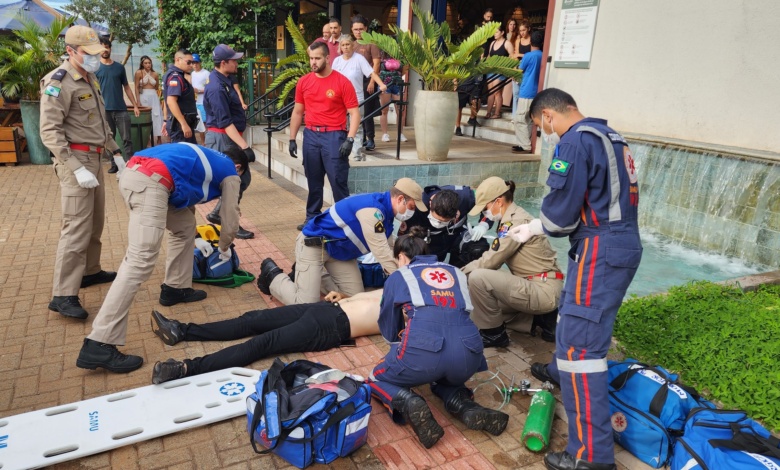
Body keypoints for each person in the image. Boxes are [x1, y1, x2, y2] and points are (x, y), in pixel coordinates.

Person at [508, 89, 642, 470]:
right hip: (622, 243)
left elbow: (561, 217)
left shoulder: (575, 141)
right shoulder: (611, 136)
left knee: (581, 353)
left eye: (540, 127)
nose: (545, 134)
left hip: (600, 249)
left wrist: (533, 226)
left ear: (548, 115)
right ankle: (556, 369)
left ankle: (590, 457)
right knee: (575, 319)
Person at [75, 144, 247, 373]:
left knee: (185, 226)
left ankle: (176, 288)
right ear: (239, 167)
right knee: (140, 261)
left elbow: (185, 199)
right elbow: (230, 214)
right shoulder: (230, 171)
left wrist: (198, 238)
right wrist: (224, 247)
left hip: (137, 173)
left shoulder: (206, 156)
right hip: (151, 183)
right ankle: (99, 342)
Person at [368, 227, 509, 449]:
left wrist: (396, 349)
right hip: (469, 353)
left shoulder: (400, 275)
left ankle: (409, 402)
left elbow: (388, 322)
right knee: (443, 375)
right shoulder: (455, 271)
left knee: (376, 376)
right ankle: (464, 406)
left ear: (402, 257)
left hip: (424, 353)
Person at [40, 26, 123, 320]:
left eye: (95, 53)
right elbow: (49, 132)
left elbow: (99, 123)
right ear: (70, 51)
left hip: (95, 159)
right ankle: (63, 295)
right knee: (75, 228)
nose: (94, 58)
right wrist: (74, 168)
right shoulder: (58, 82)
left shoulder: (90, 78)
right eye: (87, 54)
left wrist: (116, 151)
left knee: (95, 222)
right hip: (75, 160)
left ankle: (89, 271)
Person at [149, 289, 383, 384]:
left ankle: (185, 369)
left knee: (262, 343)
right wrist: (343, 295)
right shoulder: (404, 281)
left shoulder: (413, 310)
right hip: (326, 308)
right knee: (253, 319)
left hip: (333, 326)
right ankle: (181, 331)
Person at [257, 178, 426, 306]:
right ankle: (272, 276)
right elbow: (381, 251)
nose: (411, 212)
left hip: (340, 255)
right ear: (400, 199)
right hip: (315, 247)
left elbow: (391, 246)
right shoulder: (372, 211)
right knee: (305, 303)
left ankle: (307, 275)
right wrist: (406, 281)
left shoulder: (385, 214)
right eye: (411, 207)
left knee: (353, 298)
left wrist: (411, 268)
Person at [461, 177, 562, 348]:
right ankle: (538, 319)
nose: (484, 213)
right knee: (479, 309)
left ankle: (494, 335)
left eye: (485, 208)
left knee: (478, 277)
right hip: (535, 284)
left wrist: (456, 274)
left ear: (498, 201)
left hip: (543, 290)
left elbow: (489, 262)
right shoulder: (510, 217)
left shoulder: (514, 222)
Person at [288, 41, 360, 230]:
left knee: (338, 181)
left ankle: (344, 221)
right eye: (311, 58)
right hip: (311, 135)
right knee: (314, 180)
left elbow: (354, 113)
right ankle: (312, 218)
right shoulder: (304, 82)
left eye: (317, 58)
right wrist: (292, 138)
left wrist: (350, 139)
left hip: (334, 136)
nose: (313, 62)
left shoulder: (342, 82)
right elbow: (297, 112)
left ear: (328, 58)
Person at [202, 44, 256, 240]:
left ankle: (219, 214)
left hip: (228, 137)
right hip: (222, 139)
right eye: (233, 60)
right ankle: (228, 221)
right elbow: (225, 122)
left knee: (240, 180)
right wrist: (245, 146)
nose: (237, 63)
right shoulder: (216, 87)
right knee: (234, 182)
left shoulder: (224, 80)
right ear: (223, 63)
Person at [397, 185, 491, 267]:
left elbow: (490, 202)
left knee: (477, 248)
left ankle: (459, 272)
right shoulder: (418, 205)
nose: (439, 224)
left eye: (444, 221)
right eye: (436, 219)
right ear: (430, 204)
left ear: (456, 213)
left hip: (455, 234)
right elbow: (403, 238)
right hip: (429, 240)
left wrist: (484, 224)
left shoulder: (465, 197)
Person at [331, 34, 386, 161]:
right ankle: (340, 152)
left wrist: (381, 84)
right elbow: (332, 78)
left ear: (352, 45)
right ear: (340, 47)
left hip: (356, 98)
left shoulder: (359, 58)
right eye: (343, 45)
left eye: (348, 44)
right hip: (339, 99)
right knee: (340, 125)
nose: (346, 47)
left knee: (357, 126)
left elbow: (371, 72)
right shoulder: (337, 61)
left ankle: (356, 153)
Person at [96, 36, 140, 172]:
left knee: (127, 138)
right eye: (102, 48)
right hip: (104, 110)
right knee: (110, 138)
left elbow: (127, 87)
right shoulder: (95, 69)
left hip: (121, 109)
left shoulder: (119, 67)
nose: (105, 50)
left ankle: (129, 163)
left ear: (110, 49)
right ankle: (114, 164)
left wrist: (135, 105)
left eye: (107, 47)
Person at [350, 15, 381, 151]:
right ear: (352, 30)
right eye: (356, 29)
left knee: (367, 111)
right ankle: (360, 137)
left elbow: (376, 63)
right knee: (357, 110)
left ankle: (370, 139)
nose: (358, 32)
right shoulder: (352, 45)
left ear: (366, 29)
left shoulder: (371, 43)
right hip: (354, 82)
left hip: (368, 81)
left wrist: (372, 82)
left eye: (361, 29)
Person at [512, 30, 544, 154]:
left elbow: (519, 71)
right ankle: (526, 143)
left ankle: (524, 145)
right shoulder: (542, 55)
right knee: (530, 119)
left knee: (520, 118)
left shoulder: (528, 56)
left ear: (530, 42)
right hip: (537, 92)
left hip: (526, 91)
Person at [162, 49, 198, 143]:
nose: (191, 65)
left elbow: (167, 101)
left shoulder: (174, 75)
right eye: (188, 62)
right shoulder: (176, 77)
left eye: (192, 62)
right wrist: (183, 124)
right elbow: (170, 101)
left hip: (179, 124)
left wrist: (166, 120)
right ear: (178, 60)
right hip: (180, 127)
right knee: (185, 155)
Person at [483, 25, 513, 119]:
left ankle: (497, 113)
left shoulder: (507, 43)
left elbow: (512, 57)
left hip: (500, 71)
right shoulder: (492, 43)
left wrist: (508, 69)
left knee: (497, 92)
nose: (494, 34)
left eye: (496, 32)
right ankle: (488, 112)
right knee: (491, 92)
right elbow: (488, 56)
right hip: (491, 70)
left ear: (502, 32)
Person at [378, 50, 408, 143]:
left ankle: (400, 133)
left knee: (400, 110)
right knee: (384, 110)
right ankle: (385, 134)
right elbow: (377, 69)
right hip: (385, 84)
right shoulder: (381, 56)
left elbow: (404, 71)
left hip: (397, 84)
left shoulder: (401, 58)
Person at [134, 55, 163, 146]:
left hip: (153, 95)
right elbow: (136, 87)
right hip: (143, 95)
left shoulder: (155, 74)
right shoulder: (139, 72)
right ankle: (148, 138)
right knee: (146, 115)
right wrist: (137, 100)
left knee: (157, 114)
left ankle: (159, 137)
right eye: (146, 63)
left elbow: (157, 86)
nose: (148, 65)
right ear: (142, 64)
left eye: (149, 63)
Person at [510, 20, 532, 123]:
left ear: (528, 29)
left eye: (524, 30)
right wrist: (514, 71)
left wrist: (520, 55)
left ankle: (523, 116)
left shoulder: (532, 40)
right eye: (520, 31)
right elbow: (515, 56)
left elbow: (532, 55)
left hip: (528, 69)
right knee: (516, 93)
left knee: (524, 94)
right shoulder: (518, 41)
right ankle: (515, 116)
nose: (522, 33)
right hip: (518, 68)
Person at [189, 53, 210, 144]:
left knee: (205, 123)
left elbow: (209, 88)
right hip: (194, 102)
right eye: (193, 63)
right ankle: (202, 142)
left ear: (200, 63)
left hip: (203, 102)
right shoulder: (191, 74)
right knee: (198, 123)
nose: (195, 65)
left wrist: (200, 91)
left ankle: (208, 141)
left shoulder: (206, 73)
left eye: (196, 62)